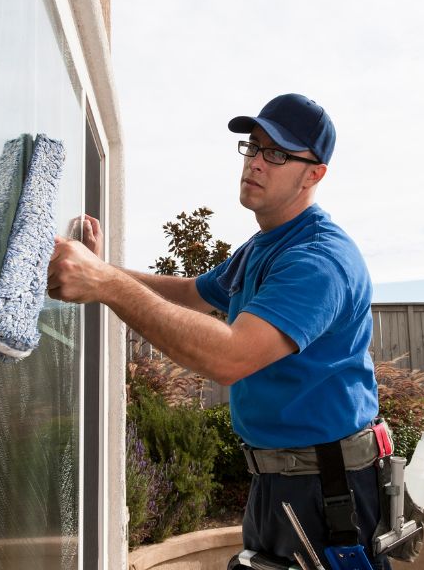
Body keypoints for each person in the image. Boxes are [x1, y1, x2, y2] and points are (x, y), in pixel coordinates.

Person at [47, 93, 390, 569]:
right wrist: (102, 269)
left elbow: (231, 358)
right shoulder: (263, 246)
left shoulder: (318, 260)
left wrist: (104, 283)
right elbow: (192, 292)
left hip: (329, 491)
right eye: (253, 147)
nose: (256, 163)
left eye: (277, 153)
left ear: (314, 174)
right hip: (278, 479)